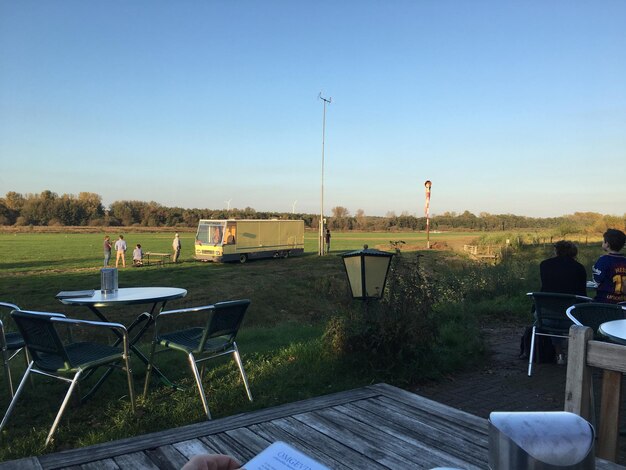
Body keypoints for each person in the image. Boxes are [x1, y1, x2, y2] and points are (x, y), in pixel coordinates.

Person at [537, 240, 587, 365]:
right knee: (570, 313)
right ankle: (575, 355)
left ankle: (559, 354)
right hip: (571, 320)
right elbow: (582, 295)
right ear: (574, 253)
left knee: (555, 311)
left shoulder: (544, 265)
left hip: (544, 318)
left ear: (556, 251)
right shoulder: (579, 268)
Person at [592, 228, 626, 303]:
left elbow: (597, 281)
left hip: (605, 303)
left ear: (607, 244)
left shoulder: (603, 260)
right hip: (622, 304)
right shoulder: (624, 261)